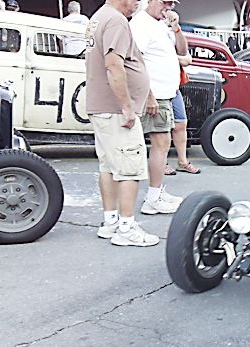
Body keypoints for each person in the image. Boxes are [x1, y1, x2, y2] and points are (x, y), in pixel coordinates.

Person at [85, 0, 159, 247]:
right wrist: (126, 107)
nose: (138, 3)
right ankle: (126, 227)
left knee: (108, 166)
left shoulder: (99, 17)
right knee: (129, 168)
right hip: (116, 110)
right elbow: (114, 65)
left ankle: (111, 221)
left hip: (102, 107)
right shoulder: (116, 21)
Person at [130, 0, 184, 215]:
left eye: (171, 4)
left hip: (164, 94)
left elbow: (183, 51)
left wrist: (176, 28)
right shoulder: (141, 24)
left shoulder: (159, 24)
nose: (168, 7)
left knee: (162, 143)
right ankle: (153, 197)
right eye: (165, 2)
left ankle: (156, 192)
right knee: (160, 144)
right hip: (156, 95)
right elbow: (135, 61)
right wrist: (149, 95)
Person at [164, 11, 200, 175]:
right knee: (161, 127)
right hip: (159, 85)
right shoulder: (150, 28)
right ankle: (162, 162)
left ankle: (182, 161)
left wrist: (176, 28)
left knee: (180, 123)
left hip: (174, 85)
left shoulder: (171, 32)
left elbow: (186, 58)